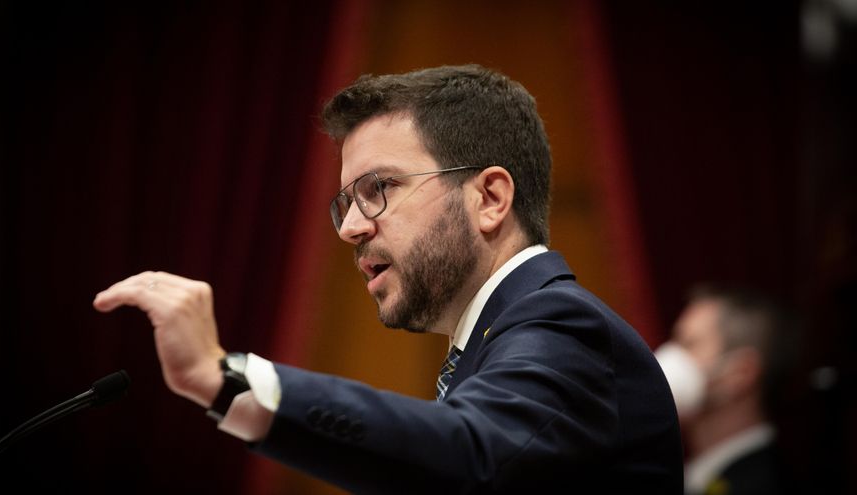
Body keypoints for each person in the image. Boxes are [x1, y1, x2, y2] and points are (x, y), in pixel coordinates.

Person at [93, 64, 683, 493]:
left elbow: (470, 453)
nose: (349, 227)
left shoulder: (560, 325)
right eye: (345, 201)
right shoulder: (499, 340)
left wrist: (223, 378)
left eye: (379, 189)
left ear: (491, 198)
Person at [654, 284, 801, 495]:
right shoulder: (688, 474)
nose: (670, 356)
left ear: (740, 374)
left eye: (689, 344)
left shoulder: (763, 484)